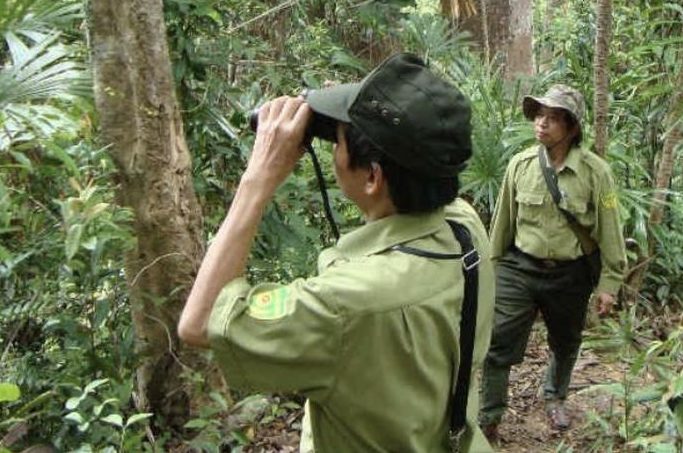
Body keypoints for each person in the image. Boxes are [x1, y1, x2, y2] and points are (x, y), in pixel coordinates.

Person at [177, 53, 495, 453]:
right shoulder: (465, 226)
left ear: (374, 176)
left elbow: (200, 322)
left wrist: (258, 178)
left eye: (338, 143)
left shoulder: (343, 306)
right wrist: (345, 122)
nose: (334, 154)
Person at [479, 83, 627, 439]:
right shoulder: (521, 165)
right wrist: (489, 270)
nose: (541, 125)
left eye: (552, 119)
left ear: (572, 127)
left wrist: (610, 284)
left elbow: (610, 229)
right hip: (520, 268)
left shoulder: (596, 173)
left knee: (566, 340)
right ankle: (490, 416)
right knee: (498, 341)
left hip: (570, 274)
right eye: (539, 117)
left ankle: (555, 396)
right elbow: (502, 225)